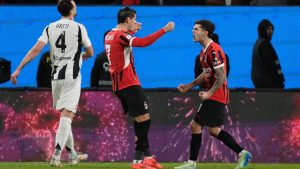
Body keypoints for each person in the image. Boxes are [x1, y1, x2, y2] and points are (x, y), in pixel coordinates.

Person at [10, 0, 94, 166]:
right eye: (75, 5)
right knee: (67, 116)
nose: (76, 7)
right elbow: (90, 52)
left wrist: (19, 69)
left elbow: (35, 50)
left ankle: (72, 155)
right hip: (72, 75)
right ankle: (56, 156)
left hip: (55, 77)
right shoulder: (79, 27)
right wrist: (82, 56)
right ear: (71, 10)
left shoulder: (50, 27)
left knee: (64, 114)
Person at [175, 19, 251, 169]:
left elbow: (222, 75)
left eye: (196, 29)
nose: (193, 31)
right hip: (214, 95)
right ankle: (243, 153)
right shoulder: (203, 52)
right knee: (213, 130)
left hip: (216, 95)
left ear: (205, 33)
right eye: (193, 29)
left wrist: (209, 93)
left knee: (195, 125)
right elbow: (206, 74)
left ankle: (191, 164)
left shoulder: (214, 50)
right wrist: (189, 85)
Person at [104, 6, 174, 169]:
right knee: (145, 120)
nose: (136, 22)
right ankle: (144, 159)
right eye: (134, 19)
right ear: (128, 20)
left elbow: (120, 46)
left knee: (139, 120)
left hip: (119, 85)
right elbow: (143, 43)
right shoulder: (122, 35)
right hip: (129, 83)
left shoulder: (109, 34)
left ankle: (142, 159)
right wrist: (164, 29)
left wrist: (132, 32)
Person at [251, 19, 285, 89]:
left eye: (272, 29)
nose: (271, 32)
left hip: (262, 87)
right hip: (270, 87)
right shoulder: (264, 45)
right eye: (268, 29)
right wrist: (279, 82)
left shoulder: (258, 43)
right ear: (263, 30)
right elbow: (271, 65)